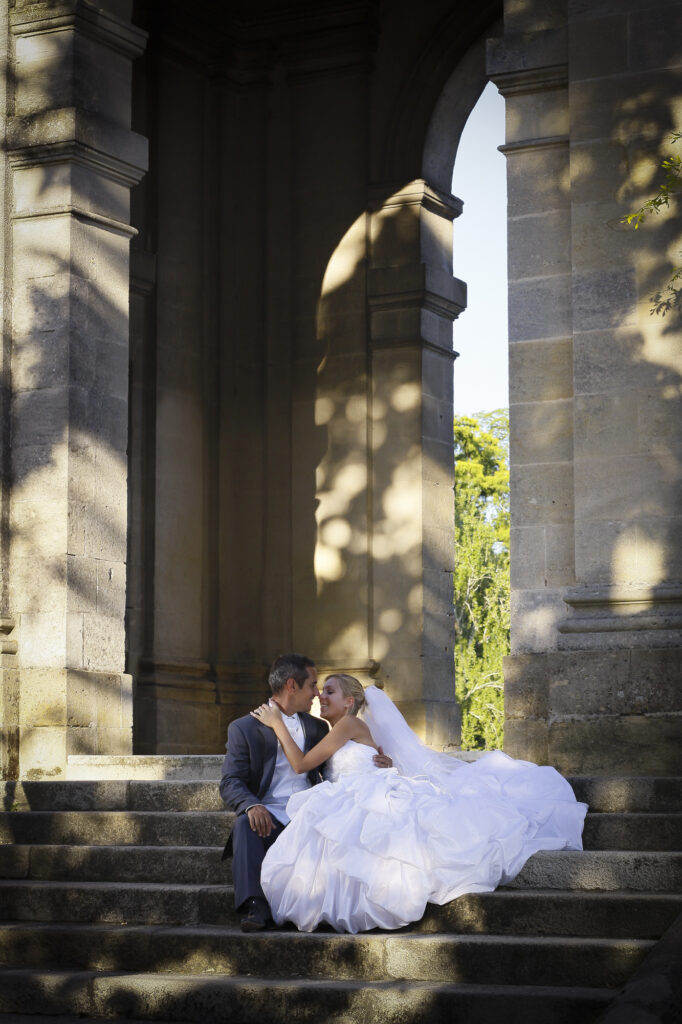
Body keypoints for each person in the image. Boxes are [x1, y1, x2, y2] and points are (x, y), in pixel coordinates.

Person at [251, 674, 588, 934]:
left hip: (366, 793)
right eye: (321, 690)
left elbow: (300, 764)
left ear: (350, 702)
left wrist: (277, 723)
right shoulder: (342, 729)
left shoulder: (349, 725)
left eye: (330, 691)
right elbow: (365, 758)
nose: (321, 697)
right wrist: (387, 763)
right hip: (358, 791)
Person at [219, 654, 391, 931]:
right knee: (245, 823)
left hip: (310, 808)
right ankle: (255, 908)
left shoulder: (317, 727)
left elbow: (332, 764)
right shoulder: (244, 728)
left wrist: (378, 761)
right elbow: (230, 781)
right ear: (291, 686)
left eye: (323, 689)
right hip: (270, 811)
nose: (316, 694)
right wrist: (251, 805)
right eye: (312, 686)